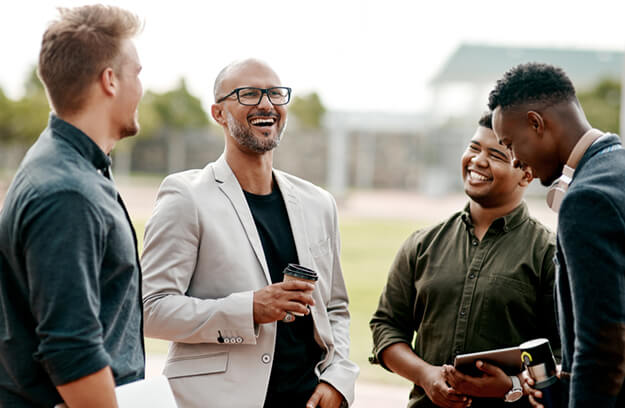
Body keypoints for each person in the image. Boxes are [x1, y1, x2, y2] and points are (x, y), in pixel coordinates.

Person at [141, 58, 358, 408]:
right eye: (249, 94)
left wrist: (338, 380)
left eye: (275, 94)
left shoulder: (320, 203)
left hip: (307, 398)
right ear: (218, 113)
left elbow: (334, 308)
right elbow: (150, 309)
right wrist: (250, 309)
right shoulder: (186, 196)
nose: (267, 104)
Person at [0, 5, 145, 408]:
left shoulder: (71, 165)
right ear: (110, 80)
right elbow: (70, 349)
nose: (142, 86)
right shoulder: (68, 192)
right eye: (137, 72)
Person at [370, 112, 559, 408]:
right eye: (473, 148)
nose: (478, 161)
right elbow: (386, 326)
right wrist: (425, 375)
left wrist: (510, 386)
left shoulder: (549, 254)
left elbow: (565, 355)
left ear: (527, 173)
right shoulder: (422, 244)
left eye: (495, 154)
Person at [489, 62, 625, 407]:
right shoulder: (617, 168)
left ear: (536, 124)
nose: (516, 161)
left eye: (510, 144)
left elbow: (603, 350)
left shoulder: (586, 200)